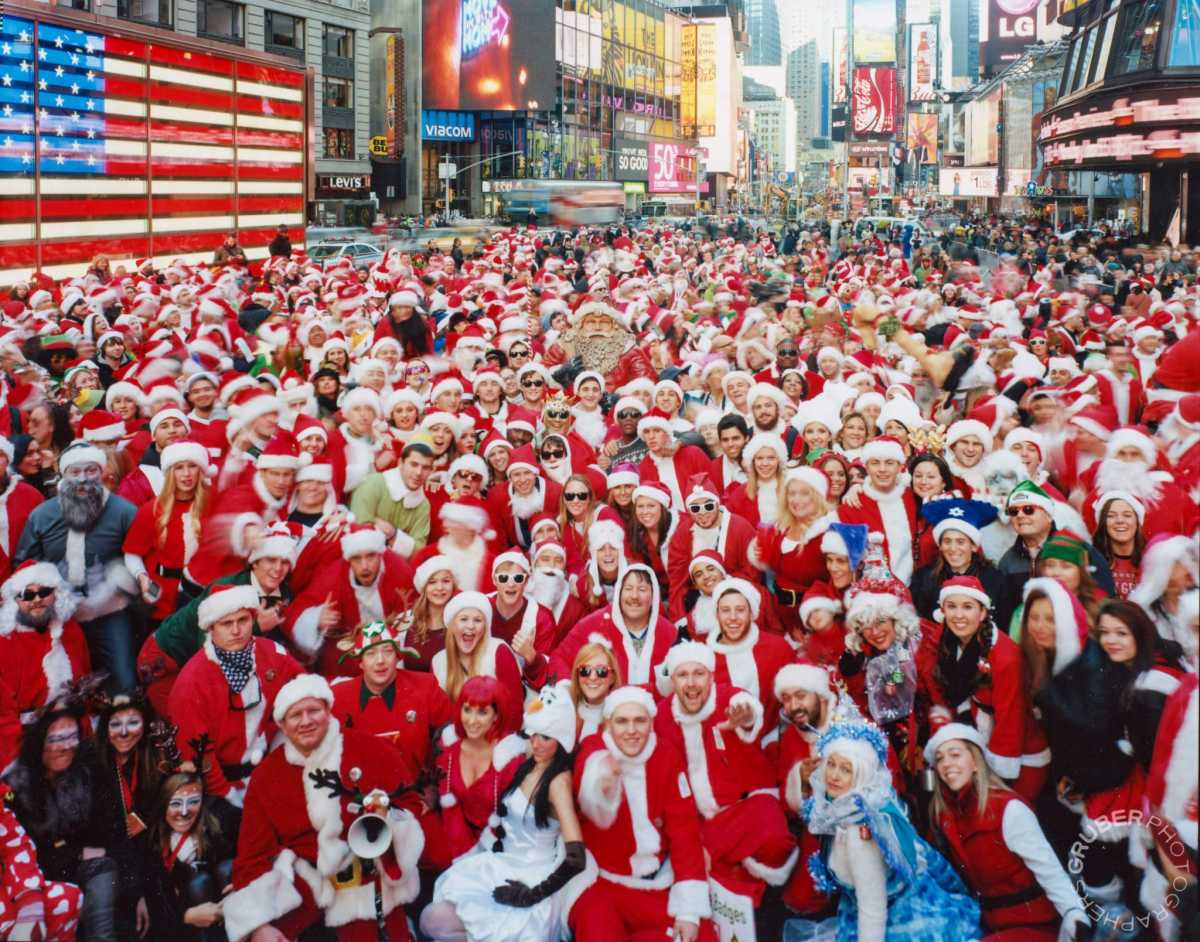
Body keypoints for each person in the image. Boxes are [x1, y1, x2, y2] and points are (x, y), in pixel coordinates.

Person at [221, 674, 425, 942]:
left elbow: (411, 804)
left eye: (314, 710)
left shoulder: (372, 749)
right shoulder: (267, 776)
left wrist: (388, 820)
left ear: (328, 711)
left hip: (370, 887)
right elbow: (252, 855)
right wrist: (257, 925)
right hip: (306, 895)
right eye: (295, 715)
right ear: (281, 724)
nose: (306, 721)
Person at [422, 685, 592, 942]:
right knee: (430, 921)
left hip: (532, 880)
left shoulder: (558, 783)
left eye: (545, 737)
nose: (536, 743)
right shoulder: (527, 764)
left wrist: (531, 894)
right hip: (500, 865)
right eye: (532, 734)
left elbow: (576, 858)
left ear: (561, 740)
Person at [792, 718, 981, 942]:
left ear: (861, 775)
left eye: (846, 769)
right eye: (831, 764)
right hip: (863, 916)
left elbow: (873, 912)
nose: (833, 776)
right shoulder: (851, 809)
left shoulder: (860, 834)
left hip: (899, 927)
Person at [655, 642, 797, 907]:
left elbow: (745, 706)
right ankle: (736, 894)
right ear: (672, 680)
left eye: (698, 673)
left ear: (711, 676)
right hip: (699, 816)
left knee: (775, 839)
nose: (691, 683)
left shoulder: (728, 699)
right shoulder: (662, 717)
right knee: (694, 856)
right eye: (682, 675)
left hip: (746, 806)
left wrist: (745, 718)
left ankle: (725, 874)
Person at [570, 686, 716, 942]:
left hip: (654, 881)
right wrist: (602, 780)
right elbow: (588, 772)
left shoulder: (666, 754)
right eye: (622, 721)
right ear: (607, 724)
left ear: (651, 722)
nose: (631, 731)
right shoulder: (595, 748)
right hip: (600, 883)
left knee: (701, 935)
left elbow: (685, 832)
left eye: (640, 720)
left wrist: (689, 912)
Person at [926, 724, 1088, 940]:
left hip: (1033, 925)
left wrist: (1073, 912)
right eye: (939, 759)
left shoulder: (1007, 809)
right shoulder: (945, 817)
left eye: (955, 754)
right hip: (987, 926)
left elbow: (1049, 870)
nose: (946, 764)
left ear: (975, 762)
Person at [168, 583, 305, 811]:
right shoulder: (192, 682)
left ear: (253, 619)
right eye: (226, 623)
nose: (236, 631)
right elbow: (197, 754)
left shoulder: (272, 653)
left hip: (269, 768)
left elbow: (305, 694)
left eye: (243, 620)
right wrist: (228, 796)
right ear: (210, 628)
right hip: (220, 787)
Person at [15, 444, 139, 691]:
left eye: (91, 470)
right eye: (75, 472)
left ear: (102, 472)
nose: (83, 479)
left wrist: (122, 580)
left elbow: (139, 557)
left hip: (109, 611)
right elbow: (24, 563)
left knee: (125, 679)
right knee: (65, 683)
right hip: (59, 613)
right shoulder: (42, 515)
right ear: (64, 474)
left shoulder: (124, 511)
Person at [925, 576, 1049, 802]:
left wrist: (995, 773)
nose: (958, 615)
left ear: (982, 613)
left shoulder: (1005, 657)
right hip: (979, 738)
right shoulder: (946, 641)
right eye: (951, 606)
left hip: (1019, 753)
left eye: (968, 607)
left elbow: (1012, 718)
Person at [4, 705, 121, 942]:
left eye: (71, 737)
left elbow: (112, 835)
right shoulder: (16, 785)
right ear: (39, 742)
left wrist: (137, 891)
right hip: (33, 878)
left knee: (102, 868)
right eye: (56, 738)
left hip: (71, 870)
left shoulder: (86, 773)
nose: (66, 746)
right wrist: (77, 853)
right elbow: (24, 853)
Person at [330, 619, 454, 772]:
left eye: (388, 651)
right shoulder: (339, 697)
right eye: (371, 653)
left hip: (418, 790)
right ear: (360, 662)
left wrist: (435, 785)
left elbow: (453, 738)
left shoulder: (425, 687)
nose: (380, 661)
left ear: (398, 656)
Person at [429, 676, 526, 868]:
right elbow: (449, 807)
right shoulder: (447, 749)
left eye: (482, 712)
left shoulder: (511, 758)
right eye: (467, 710)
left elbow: (515, 823)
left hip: (500, 846)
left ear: (496, 716)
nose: (472, 721)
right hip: (456, 839)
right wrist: (463, 855)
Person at [141, 769, 236, 941]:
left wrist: (242, 881)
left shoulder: (216, 824)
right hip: (180, 925)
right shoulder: (151, 842)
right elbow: (153, 904)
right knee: (198, 884)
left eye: (193, 802)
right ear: (163, 804)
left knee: (227, 868)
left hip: (223, 911)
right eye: (176, 803)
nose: (184, 812)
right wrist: (187, 915)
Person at [550, 565, 676, 690]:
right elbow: (558, 658)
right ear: (619, 593)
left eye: (642, 589)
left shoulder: (669, 633)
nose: (634, 596)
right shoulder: (594, 624)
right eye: (628, 588)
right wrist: (569, 691)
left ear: (653, 595)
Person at [0, 561, 91, 724]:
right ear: (16, 601)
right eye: (27, 595)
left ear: (57, 594)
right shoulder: (5, 642)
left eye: (44, 592)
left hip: (73, 729)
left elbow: (85, 685)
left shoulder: (71, 630)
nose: (36, 600)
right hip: (26, 736)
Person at [432, 591, 524, 711]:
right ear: (452, 625)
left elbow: (514, 706)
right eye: (463, 619)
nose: (470, 626)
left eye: (478, 620)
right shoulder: (438, 661)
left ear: (485, 626)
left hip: (497, 728)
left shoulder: (498, 650)